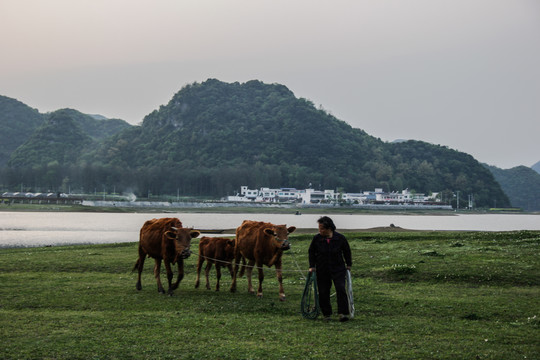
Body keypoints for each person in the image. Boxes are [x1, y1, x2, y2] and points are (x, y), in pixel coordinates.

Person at [308, 216, 352, 322]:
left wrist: (349, 264)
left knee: (341, 289)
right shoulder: (317, 238)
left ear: (329, 228)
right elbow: (311, 252)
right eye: (319, 228)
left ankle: (343, 313)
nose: (320, 230)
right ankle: (327, 314)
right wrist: (312, 266)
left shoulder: (340, 238)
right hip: (322, 268)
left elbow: (347, 251)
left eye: (322, 228)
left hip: (338, 268)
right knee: (323, 291)